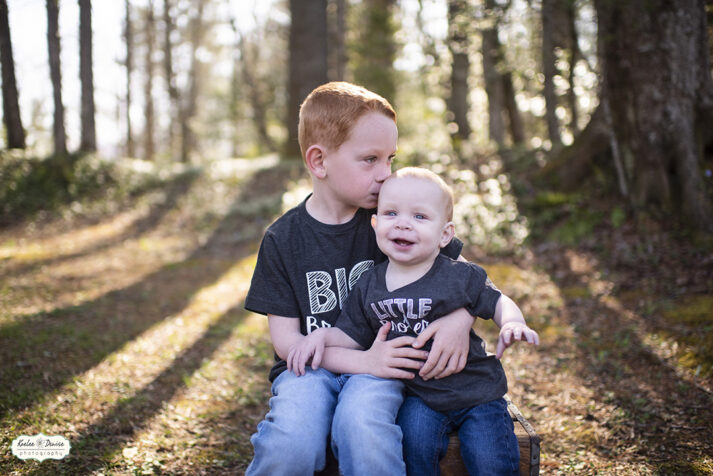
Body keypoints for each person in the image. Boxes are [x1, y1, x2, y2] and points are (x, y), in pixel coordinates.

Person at [244, 82, 478, 476]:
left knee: (364, 431)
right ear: (319, 161)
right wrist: (363, 359)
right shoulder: (283, 239)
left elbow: (469, 280)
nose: (386, 175)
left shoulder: (392, 222)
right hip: (308, 371)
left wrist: (459, 319)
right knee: (291, 443)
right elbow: (288, 344)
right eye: (370, 159)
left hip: (380, 372)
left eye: (390, 159)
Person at [288, 167, 539, 476]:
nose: (403, 224)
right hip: (420, 397)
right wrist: (320, 337)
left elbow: (497, 300)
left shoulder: (458, 275)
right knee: (415, 452)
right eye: (391, 214)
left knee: (489, 460)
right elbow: (349, 334)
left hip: (477, 392)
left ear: (445, 234)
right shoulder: (368, 285)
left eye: (419, 217)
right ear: (375, 224)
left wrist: (512, 322)